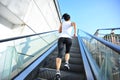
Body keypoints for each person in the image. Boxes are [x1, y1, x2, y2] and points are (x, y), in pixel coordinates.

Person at [55, 13, 76, 78]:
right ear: (69, 18)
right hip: (69, 38)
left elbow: (59, 31)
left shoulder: (62, 23)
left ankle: (58, 71)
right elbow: (75, 25)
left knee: (59, 54)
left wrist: (61, 26)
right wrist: (75, 33)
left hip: (61, 38)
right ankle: (66, 63)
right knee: (67, 52)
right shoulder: (71, 22)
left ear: (64, 18)